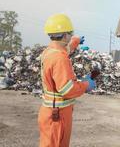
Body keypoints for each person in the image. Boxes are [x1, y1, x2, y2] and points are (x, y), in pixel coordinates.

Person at [38, 13, 96, 147]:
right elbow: (67, 89)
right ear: (64, 35)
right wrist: (87, 85)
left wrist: (75, 42)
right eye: (70, 34)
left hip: (50, 113)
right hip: (57, 116)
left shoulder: (49, 51)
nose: (70, 36)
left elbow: (66, 50)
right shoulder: (59, 58)